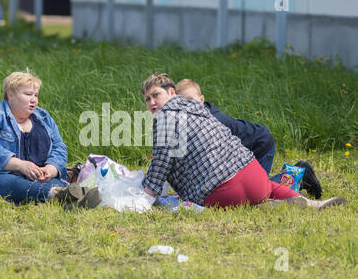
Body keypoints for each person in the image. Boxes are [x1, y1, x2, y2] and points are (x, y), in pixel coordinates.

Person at [140, 73, 345, 210]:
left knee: (243, 200)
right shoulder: (199, 108)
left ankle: (265, 205)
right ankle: (309, 203)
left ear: (172, 93)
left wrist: (141, 196)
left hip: (224, 192)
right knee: (267, 188)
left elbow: (160, 167)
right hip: (254, 173)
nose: (152, 103)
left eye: (155, 95)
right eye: (147, 99)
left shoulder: (165, 120)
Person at [0, 71, 100, 207]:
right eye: (28, 94)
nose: (33, 99)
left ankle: (67, 198)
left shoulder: (44, 118)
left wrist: (51, 169)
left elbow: (59, 147)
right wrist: (20, 165)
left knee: (53, 183)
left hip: (37, 179)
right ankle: (59, 195)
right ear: (10, 94)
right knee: (13, 183)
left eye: (36, 95)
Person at [175, 78, 323, 199]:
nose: (186, 106)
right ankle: (297, 174)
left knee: (260, 192)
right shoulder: (191, 121)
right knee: (252, 190)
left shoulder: (210, 121)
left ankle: (299, 176)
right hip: (245, 149)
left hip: (260, 145)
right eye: (181, 103)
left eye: (190, 100)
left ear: (201, 100)